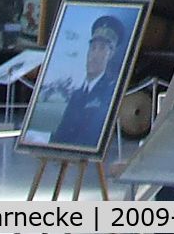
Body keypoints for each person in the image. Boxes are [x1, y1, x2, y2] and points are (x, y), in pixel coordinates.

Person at [52, 13, 127, 148]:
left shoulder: (110, 92)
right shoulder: (77, 94)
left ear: (111, 54)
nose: (95, 55)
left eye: (102, 48)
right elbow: (62, 133)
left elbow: (92, 136)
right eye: (93, 48)